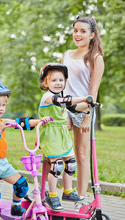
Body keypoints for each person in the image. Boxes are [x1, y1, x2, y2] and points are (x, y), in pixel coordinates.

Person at [0, 82, 50, 220]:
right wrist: (0, 130)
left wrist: (40, 121)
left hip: (3, 163)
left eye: (3, 105)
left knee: (22, 185)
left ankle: (16, 207)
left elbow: (23, 123)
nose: (1, 108)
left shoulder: (4, 121)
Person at [62, 16, 104, 209]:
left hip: (82, 110)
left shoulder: (95, 58)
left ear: (92, 35)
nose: (77, 34)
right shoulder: (67, 54)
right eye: (75, 30)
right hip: (64, 108)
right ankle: (56, 193)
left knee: (81, 154)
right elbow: (62, 85)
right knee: (57, 152)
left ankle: (80, 197)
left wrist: (86, 115)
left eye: (83, 31)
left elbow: (92, 93)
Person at [38, 63, 93, 211]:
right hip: (51, 135)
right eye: (54, 80)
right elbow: (64, 101)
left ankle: (67, 192)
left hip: (62, 135)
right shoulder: (48, 96)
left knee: (71, 164)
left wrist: (88, 104)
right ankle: (53, 195)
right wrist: (82, 98)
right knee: (57, 166)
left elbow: (74, 107)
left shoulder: (61, 98)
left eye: (61, 80)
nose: (58, 83)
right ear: (45, 83)